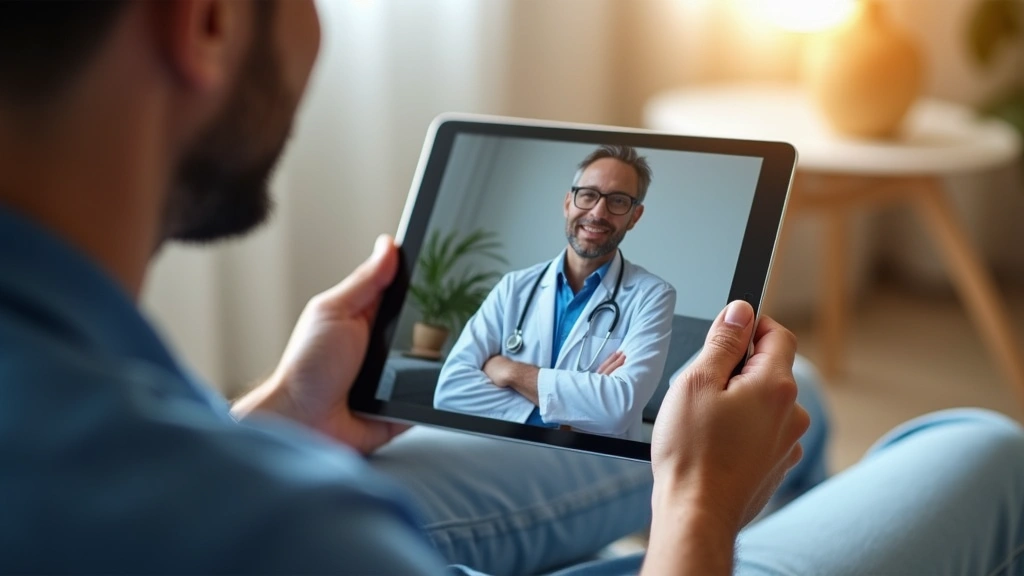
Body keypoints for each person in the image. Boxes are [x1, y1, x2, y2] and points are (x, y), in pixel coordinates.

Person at [1, 2, 1022, 575]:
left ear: (631, 218)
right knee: (979, 448)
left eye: (610, 202)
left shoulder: (95, 413)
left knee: (800, 406)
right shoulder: (290, 531)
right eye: (580, 194)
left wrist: (275, 423)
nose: (589, 212)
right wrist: (695, 519)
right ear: (206, 22)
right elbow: (486, 390)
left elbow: (524, 389)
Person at [434, 145, 677, 440]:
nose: (598, 212)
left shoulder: (652, 296)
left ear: (634, 216)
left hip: (588, 466)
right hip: (500, 452)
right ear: (568, 202)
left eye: (617, 201)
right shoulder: (514, 287)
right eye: (588, 195)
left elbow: (618, 409)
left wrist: (510, 371)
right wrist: (567, 415)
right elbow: (450, 390)